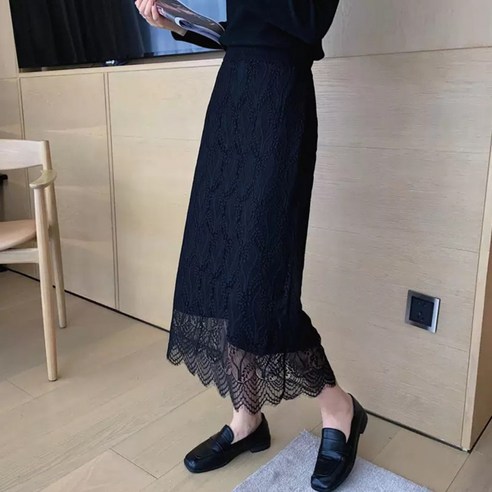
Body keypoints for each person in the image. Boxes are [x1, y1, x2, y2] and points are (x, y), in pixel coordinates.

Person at [136, 1, 368, 490]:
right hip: (234, 92)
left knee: (263, 278)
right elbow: (242, 28)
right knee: (222, 264)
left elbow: (308, 20)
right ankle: (247, 417)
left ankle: (339, 406)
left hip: (280, 96)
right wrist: (178, 19)